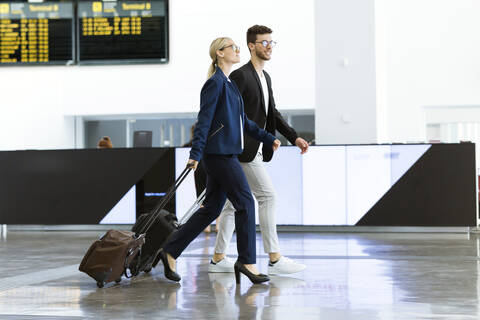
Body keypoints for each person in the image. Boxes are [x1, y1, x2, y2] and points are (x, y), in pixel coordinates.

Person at [158, 36, 282, 284]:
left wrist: (268, 138)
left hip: (226, 153)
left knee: (212, 209)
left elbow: (243, 122)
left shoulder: (229, 85)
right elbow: (204, 120)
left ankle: (170, 250)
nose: (238, 51)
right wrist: (195, 154)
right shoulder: (214, 84)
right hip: (219, 155)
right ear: (220, 54)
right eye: (233, 48)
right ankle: (246, 261)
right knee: (245, 202)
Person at [208, 25, 309, 275]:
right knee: (267, 197)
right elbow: (232, 115)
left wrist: (293, 137)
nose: (268, 47)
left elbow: (271, 112)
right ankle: (274, 259)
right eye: (264, 42)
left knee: (232, 205)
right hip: (242, 150)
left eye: (271, 43)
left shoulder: (265, 77)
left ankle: (218, 258)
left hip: (253, 149)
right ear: (251, 46)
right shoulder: (241, 76)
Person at [183, 124, 219, 233]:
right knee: (216, 196)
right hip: (211, 166)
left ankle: (205, 226)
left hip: (199, 168)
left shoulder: (194, 143)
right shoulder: (212, 140)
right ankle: (218, 225)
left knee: (201, 197)